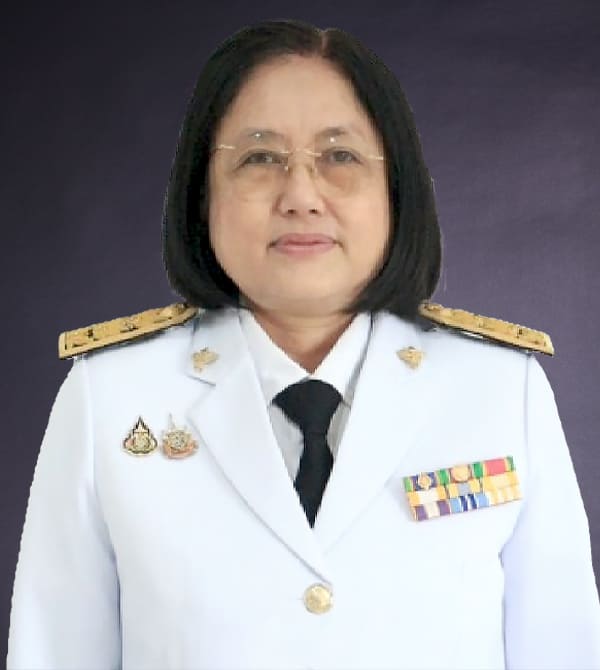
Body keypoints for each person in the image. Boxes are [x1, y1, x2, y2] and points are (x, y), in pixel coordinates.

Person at [7, 18, 600, 670]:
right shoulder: (113, 398)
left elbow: (563, 650)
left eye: (340, 156)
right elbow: (54, 652)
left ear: (396, 189)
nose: (301, 196)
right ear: (203, 193)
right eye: (259, 158)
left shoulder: (498, 391)